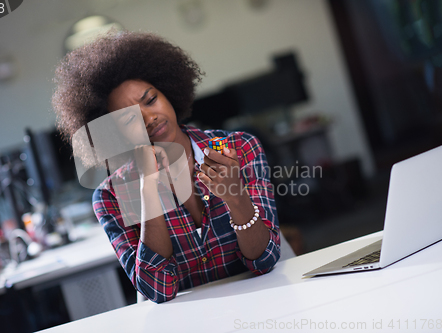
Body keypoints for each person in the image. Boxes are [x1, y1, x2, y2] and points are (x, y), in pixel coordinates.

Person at [52, 30, 280, 304]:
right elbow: (157, 289)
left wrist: (236, 197)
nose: (149, 118)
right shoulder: (110, 196)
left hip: (261, 303)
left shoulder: (238, 149)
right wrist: (148, 189)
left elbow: (264, 260)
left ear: (169, 92)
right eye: (128, 120)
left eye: (151, 100)